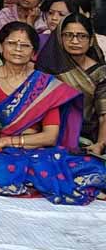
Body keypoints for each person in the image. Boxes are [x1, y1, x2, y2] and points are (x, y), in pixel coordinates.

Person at [0, 22, 106, 205]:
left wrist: (6, 141)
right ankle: (43, 181)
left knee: (95, 167)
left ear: (33, 52)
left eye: (25, 45)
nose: (18, 49)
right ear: (0, 46)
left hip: (37, 150)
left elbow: (50, 137)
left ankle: (31, 180)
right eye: (11, 43)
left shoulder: (45, 84)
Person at [36, 14, 106, 156]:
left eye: (82, 36)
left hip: (88, 139)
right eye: (68, 35)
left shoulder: (100, 73)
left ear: (91, 40)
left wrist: (100, 144)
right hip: (47, 137)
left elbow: (104, 114)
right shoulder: (47, 68)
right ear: (59, 38)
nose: (74, 41)